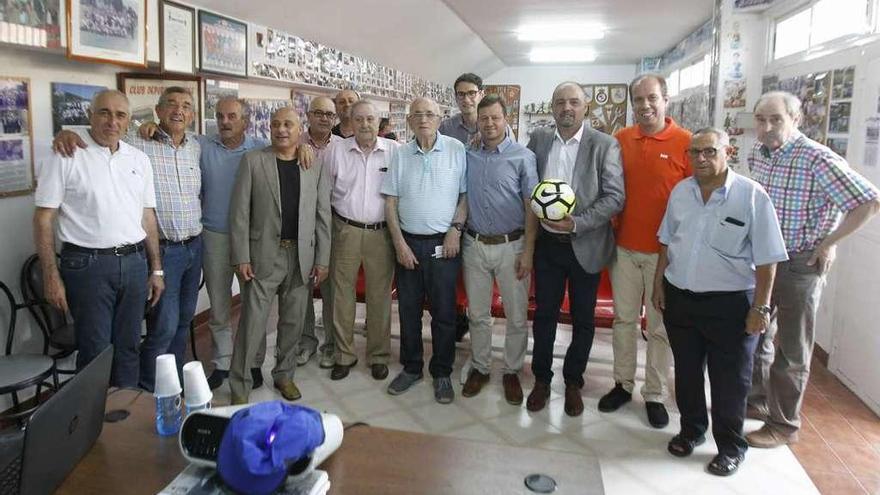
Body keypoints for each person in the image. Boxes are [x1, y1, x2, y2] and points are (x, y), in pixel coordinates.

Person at [745, 92, 880, 448]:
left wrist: (828, 243)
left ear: (796, 119)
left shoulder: (817, 158)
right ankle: (756, 402)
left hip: (799, 264)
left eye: (776, 119)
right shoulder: (758, 153)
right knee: (756, 335)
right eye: (761, 119)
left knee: (791, 349)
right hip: (762, 262)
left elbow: (869, 201)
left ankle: (783, 425)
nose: (767, 127)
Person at [653, 127, 788, 476]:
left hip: (730, 306)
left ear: (727, 151)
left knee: (730, 380)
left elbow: (769, 258)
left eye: (709, 151)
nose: (700, 158)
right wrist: (658, 286)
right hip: (681, 298)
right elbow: (667, 242)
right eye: (694, 152)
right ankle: (691, 430)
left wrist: (760, 307)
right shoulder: (681, 193)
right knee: (686, 373)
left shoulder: (751, 195)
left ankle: (730, 446)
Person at [51, 86, 203, 391]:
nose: (178, 110)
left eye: (186, 106)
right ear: (157, 111)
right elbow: (104, 131)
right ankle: (147, 389)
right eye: (171, 104)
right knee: (161, 328)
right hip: (157, 250)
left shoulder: (196, 146)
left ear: (193, 116)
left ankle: (165, 390)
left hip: (191, 247)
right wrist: (65, 132)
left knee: (179, 324)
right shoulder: (136, 141)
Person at [34, 90, 164, 387]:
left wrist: (156, 269)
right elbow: (43, 219)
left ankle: (125, 418)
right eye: (104, 112)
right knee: (95, 352)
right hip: (87, 265)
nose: (112, 121)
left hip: (133, 263)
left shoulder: (139, 159)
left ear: (129, 121)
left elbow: (147, 217)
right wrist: (50, 276)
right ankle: (94, 427)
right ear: (90, 115)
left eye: (120, 115)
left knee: (129, 346)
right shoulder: (66, 153)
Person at [525, 82, 625, 417]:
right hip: (547, 247)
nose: (566, 108)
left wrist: (578, 222)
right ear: (551, 108)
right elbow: (526, 181)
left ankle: (572, 381)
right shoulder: (539, 140)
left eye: (574, 102)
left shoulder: (604, 145)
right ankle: (541, 378)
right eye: (560, 102)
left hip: (586, 245)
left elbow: (615, 197)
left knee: (583, 318)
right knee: (544, 316)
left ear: (585, 108)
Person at [599, 74, 692, 428]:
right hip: (622, 250)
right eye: (638, 100)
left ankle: (654, 394)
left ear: (666, 99)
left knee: (659, 327)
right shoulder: (620, 140)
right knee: (623, 321)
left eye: (652, 98)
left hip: (664, 256)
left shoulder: (686, 143)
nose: (645, 105)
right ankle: (623, 384)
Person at [227, 107, 331, 404]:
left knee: (293, 322)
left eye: (288, 124)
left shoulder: (313, 165)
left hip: (301, 257)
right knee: (253, 323)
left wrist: (322, 259)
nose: (281, 129)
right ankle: (240, 385)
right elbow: (239, 214)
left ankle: (284, 375)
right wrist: (241, 256)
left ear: (300, 130)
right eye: (275, 124)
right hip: (263, 257)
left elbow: (323, 215)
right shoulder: (254, 161)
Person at [381, 97, 467, 404]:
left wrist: (455, 231)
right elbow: (390, 203)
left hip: (444, 245)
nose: (423, 119)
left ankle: (442, 371)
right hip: (408, 244)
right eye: (416, 114)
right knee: (408, 311)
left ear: (440, 116)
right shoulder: (402, 155)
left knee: (444, 313)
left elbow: (464, 196)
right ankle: (412, 367)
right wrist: (399, 244)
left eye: (429, 113)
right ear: (409, 120)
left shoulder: (457, 150)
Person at [460, 94, 538, 405]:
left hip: (513, 246)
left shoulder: (522, 156)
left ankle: (511, 371)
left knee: (516, 316)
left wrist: (529, 250)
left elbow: (531, 205)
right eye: (484, 119)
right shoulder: (468, 155)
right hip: (475, 245)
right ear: (476, 122)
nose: (490, 124)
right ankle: (480, 366)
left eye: (495, 117)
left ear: (506, 119)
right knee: (478, 314)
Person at [320, 100, 400, 381]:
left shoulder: (394, 152)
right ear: (350, 123)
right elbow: (323, 192)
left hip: (381, 233)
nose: (365, 124)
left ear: (379, 123)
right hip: (346, 230)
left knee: (379, 296)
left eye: (370, 119)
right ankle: (344, 355)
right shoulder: (335, 150)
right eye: (359, 119)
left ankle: (378, 355)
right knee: (343, 295)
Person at [296, 96, 343, 369]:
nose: (324, 118)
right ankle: (305, 341)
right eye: (318, 113)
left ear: (335, 118)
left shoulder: (342, 147)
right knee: (301, 286)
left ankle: (330, 345)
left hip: (333, 224)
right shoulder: (294, 142)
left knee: (331, 288)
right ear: (308, 115)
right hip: (300, 225)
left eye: (329, 114)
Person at [439, 73, 484, 145]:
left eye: (472, 93)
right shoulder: (445, 128)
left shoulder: (495, 125)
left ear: (481, 95)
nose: (466, 99)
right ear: (456, 97)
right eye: (461, 94)